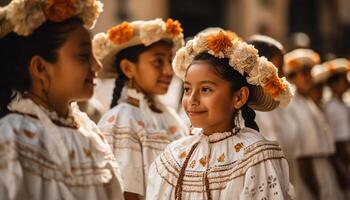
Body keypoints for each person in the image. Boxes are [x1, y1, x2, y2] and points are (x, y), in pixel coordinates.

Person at [147, 30, 295, 199]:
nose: (192, 100)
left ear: (239, 97)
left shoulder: (255, 157)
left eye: (205, 89)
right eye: (187, 89)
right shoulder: (172, 156)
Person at [0, 0, 124, 199]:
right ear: (40, 68)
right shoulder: (12, 138)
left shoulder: (91, 133)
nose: (97, 65)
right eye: (84, 56)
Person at [93, 19, 187, 200]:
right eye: (158, 61)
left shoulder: (170, 116)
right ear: (128, 68)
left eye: (169, 60)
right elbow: (127, 193)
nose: (168, 70)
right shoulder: (121, 120)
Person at [284, 49, 343, 200]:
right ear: (292, 77)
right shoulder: (291, 105)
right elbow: (302, 156)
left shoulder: (308, 102)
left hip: (323, 167)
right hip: (310, 172)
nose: (309, 78)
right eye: (304, 73)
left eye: (310, 73)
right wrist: (314, 188)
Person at [247, 35, 298, 163]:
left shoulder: (279, 101)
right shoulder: (248, 107)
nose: (283, 74)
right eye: (279, 67)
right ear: (262, 67)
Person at [321, 58, 350, 197]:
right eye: (343, 79)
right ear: (333, 84)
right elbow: (338, 143)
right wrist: (342, 169)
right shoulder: (332, 108)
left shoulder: (344, 103)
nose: (347, 82)